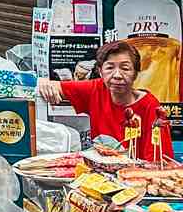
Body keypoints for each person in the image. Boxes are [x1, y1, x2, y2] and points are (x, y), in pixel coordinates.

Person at [39, 40, 174, 161]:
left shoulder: (150, 107)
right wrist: (43, 81)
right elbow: (56, 86)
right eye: (109, 68)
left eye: (125, 68)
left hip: (135, 177)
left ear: (136, 73)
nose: (117, 75)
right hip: (101, 174)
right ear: (100, 71)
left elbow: (159, 162)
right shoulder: (96, 89)